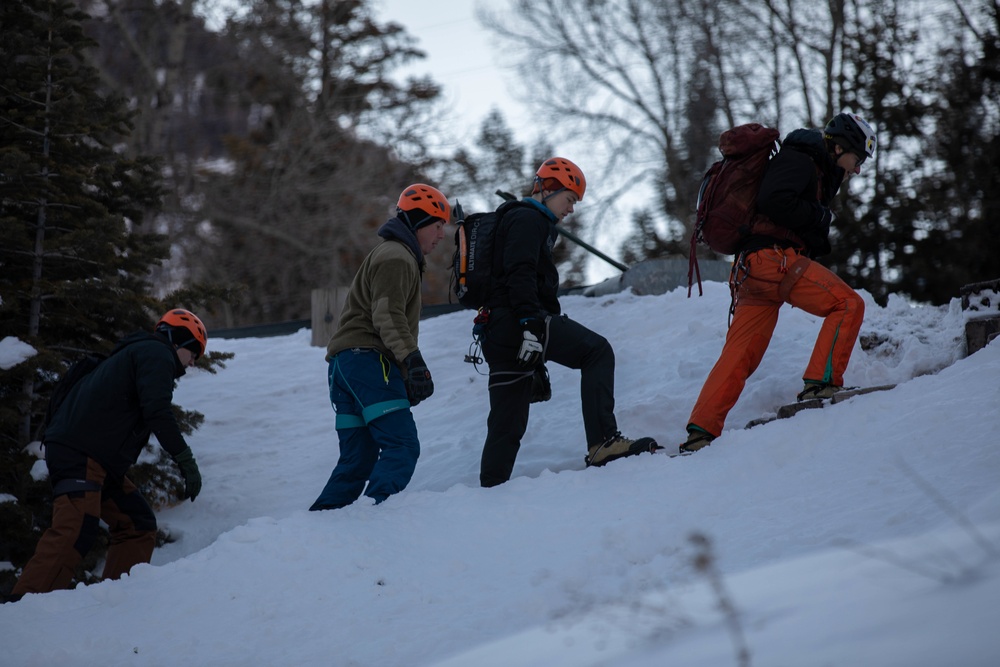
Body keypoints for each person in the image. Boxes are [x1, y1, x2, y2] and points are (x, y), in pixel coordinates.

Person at [681, 112, 877, 453]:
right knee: (847, 304)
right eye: (857, 159)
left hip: (751, 271)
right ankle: (821, 385)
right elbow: (775, 200)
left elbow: (782, 211)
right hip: (774, 262)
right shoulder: (802, 159)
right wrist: (818, 215)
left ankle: (701, 431)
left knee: (739, 354)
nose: (857, 168)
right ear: (841, 147)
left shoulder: (809, 166)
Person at [478, 157, 657, 487]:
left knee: (507, 421)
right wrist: (532, 326)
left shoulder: (517, 221)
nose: (571, 209)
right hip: (520, 321)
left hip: (496, 330)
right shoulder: (528, 219)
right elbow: (520, 272)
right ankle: (604, 442)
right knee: (597, 352)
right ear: (546, 189)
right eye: (569, 199)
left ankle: (490, 490)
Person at [9, 309, 207, 600]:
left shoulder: (139, 353)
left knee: (137, 523)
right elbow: (158, 412)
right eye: (194, 354)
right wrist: (186, 460)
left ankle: (116, 600)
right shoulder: (157, 353)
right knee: (75, 528)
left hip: (97, 459)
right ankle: (22, 607)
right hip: (81, 452)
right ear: (179, 341)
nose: (192, 363)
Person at [309, 184, 449, 511]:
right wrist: (412, 362)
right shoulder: (397, 256)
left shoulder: (389, 253)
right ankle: (375, 519)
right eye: (438, 225)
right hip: (368, 362)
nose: (442, 234)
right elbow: (387, 315)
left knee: (357, 462)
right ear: (418, 222)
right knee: (402, 446)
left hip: (345, 366)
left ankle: (319, 529)